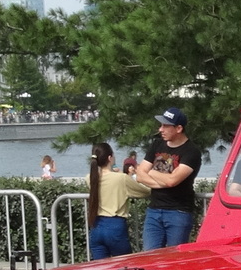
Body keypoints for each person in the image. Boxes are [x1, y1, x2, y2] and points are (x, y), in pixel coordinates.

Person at [137, 106, 207, 246]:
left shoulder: (191, 151)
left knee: (174, 258)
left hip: (178, 212)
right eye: (161, 125)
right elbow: (139, 175)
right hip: (154, 211)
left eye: (166, 126)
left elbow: (172, 180)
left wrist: (150, 171)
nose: (160, 129)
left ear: (179, 128)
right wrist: (164, 180)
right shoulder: (157, 144)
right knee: (150, 257)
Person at [86, 141, 140, 258]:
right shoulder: (121, 178)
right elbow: (144, 191)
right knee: (124, 267)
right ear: (110, 158)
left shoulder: (89, 178)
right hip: (115, 226)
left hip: (96, 226)